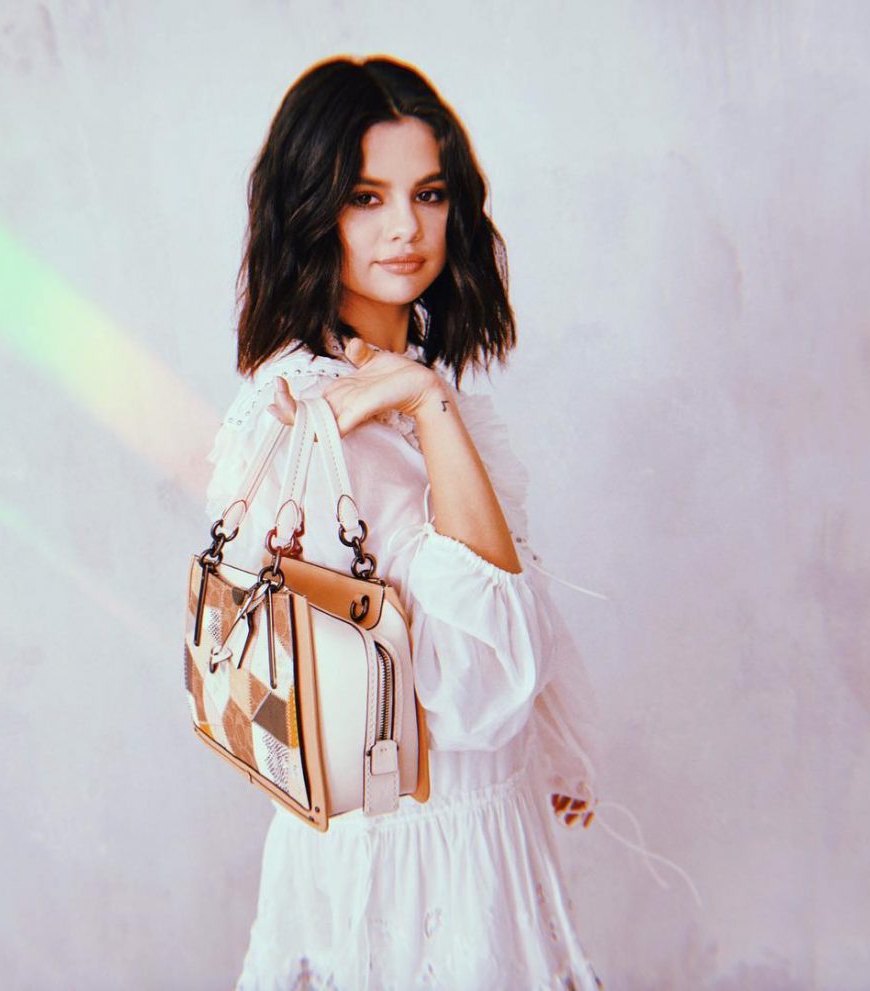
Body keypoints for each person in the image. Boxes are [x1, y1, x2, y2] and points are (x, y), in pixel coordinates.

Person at [203, 54, 606, 991]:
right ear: (310, 211)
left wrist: (427, 398)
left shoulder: (399, 385)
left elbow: (494, 637)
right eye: (364, 197)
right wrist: (429, 405)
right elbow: (479, 681)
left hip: (466, 837)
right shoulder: (308, 411)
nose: (405, 229)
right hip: (406, 859)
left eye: (428, 193)